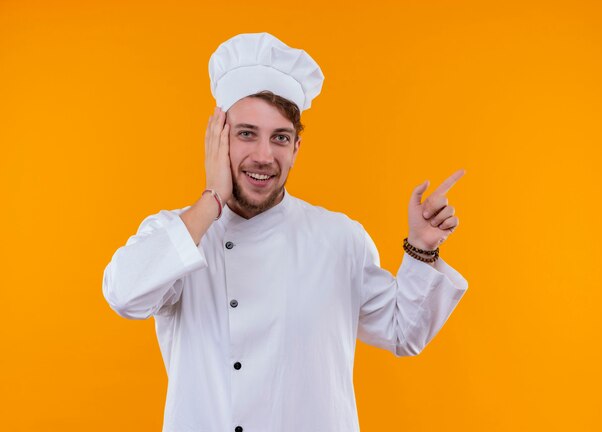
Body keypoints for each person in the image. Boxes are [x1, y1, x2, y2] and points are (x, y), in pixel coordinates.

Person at [102, 32, 468, 432]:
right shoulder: (182, 234)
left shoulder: (340, 239)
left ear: (296, 147)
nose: (264, 155)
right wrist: (212, 199)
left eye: (280, 138)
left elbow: (405, 334)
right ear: (218, 137)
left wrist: (422, 248)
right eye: (246, 133)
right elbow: (123, 294)